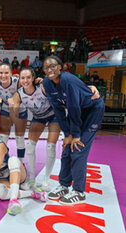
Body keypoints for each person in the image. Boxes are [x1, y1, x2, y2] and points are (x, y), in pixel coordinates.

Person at [42, 56, 105, 205]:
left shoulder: (67, 80)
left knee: (78, 149)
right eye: (46, 67)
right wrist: (67, 134)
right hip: (76, 112)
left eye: (53, 66)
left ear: (60, 67)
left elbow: (73, 107)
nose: (50, 70)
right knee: (66, 149)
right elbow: (58, 110)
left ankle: (78, 191)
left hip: (92, 111)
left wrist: (75, 135)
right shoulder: (47, 83)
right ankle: (64, 185)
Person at [11, 67, 60, 191]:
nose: (25, 80)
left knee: (50, 146)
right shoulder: (19, 94)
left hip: (53, 116)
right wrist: (13, 106)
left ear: (33, 78)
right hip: (38, 117)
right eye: (22, 78)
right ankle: (31, 179)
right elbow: (15, 113)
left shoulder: (42, 87)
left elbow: (59, 90)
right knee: (30, 146)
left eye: (28, 77)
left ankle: (46, 179)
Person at [0, 62, 27, 162]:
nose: (3, 75)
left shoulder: (18, 81)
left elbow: (32, 84)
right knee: (3, 138)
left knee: (19, 138)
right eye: (1, 73)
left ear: (11, 74)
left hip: (20, 110)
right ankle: (2, 161)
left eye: (6, 73)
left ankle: (21, 163)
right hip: (5, 109)